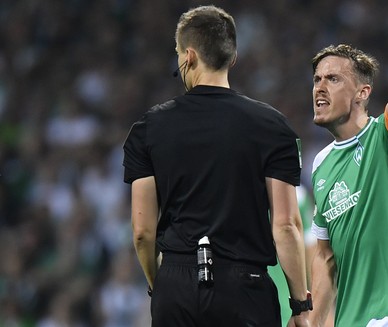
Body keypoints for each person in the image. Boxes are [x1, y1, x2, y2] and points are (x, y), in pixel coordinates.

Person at [122, 5, 311, 327]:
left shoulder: (148, 128)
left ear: (189, 56)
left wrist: (160, 284)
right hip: (245, 287)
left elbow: (142, 233)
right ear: (232, 59)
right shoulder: (272, 126)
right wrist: (300, 306)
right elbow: (286, 225)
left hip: (176, 283)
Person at [308, 25, 388, 327]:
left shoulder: (385, 137)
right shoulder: (320, 165)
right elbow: (325, 257)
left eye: (333, 78)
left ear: (362, 93)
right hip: (351, 319)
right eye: (316, 79)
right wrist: (311, 322)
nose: (319, 87)